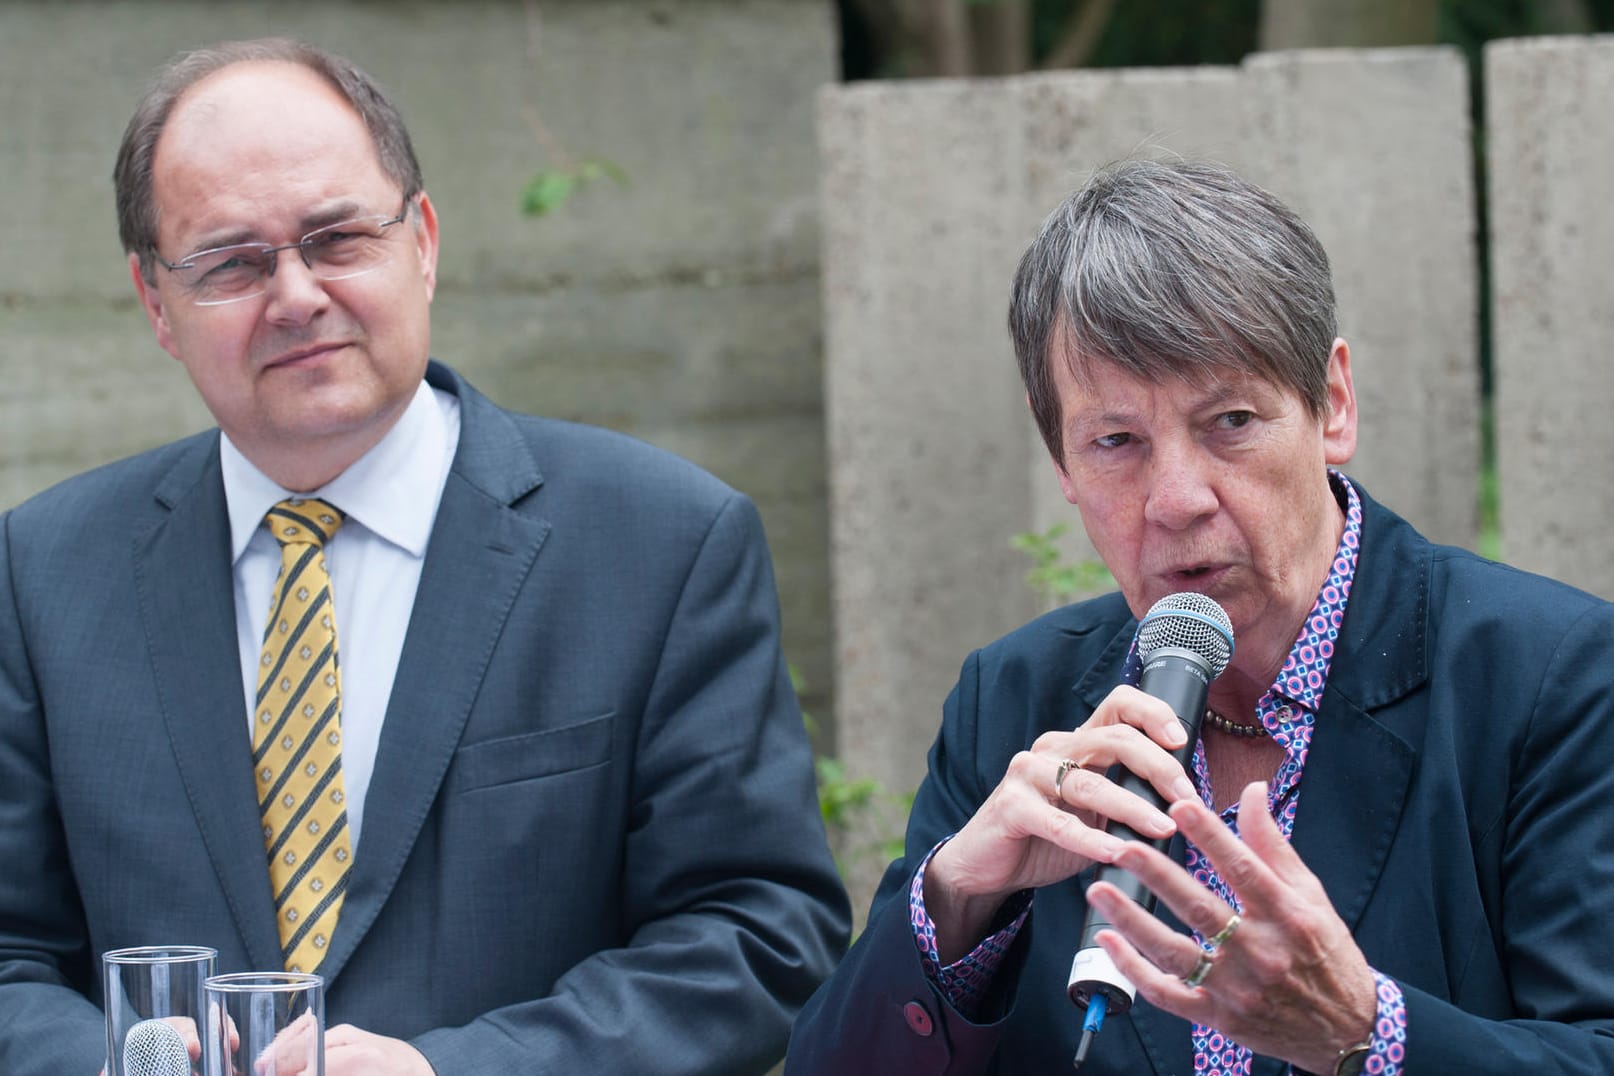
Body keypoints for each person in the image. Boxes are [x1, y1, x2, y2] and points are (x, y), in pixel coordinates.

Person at [0, 38, 848, 1076]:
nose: (297, 293)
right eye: (232, 261)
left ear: (426, 240)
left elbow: (758, 933)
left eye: (337, 236)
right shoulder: (43, 573)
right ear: (154, 303)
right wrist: (121, 1059)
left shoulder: (663, 543)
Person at [785, 158, 1614, 1074]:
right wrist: (954, 902)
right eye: (1115, 442)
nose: (1175, 499)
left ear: (1331, 403)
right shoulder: (1015, 698)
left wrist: (1367, 1037)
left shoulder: (1553, 677)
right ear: (1059, 458)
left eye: (1229, 422)